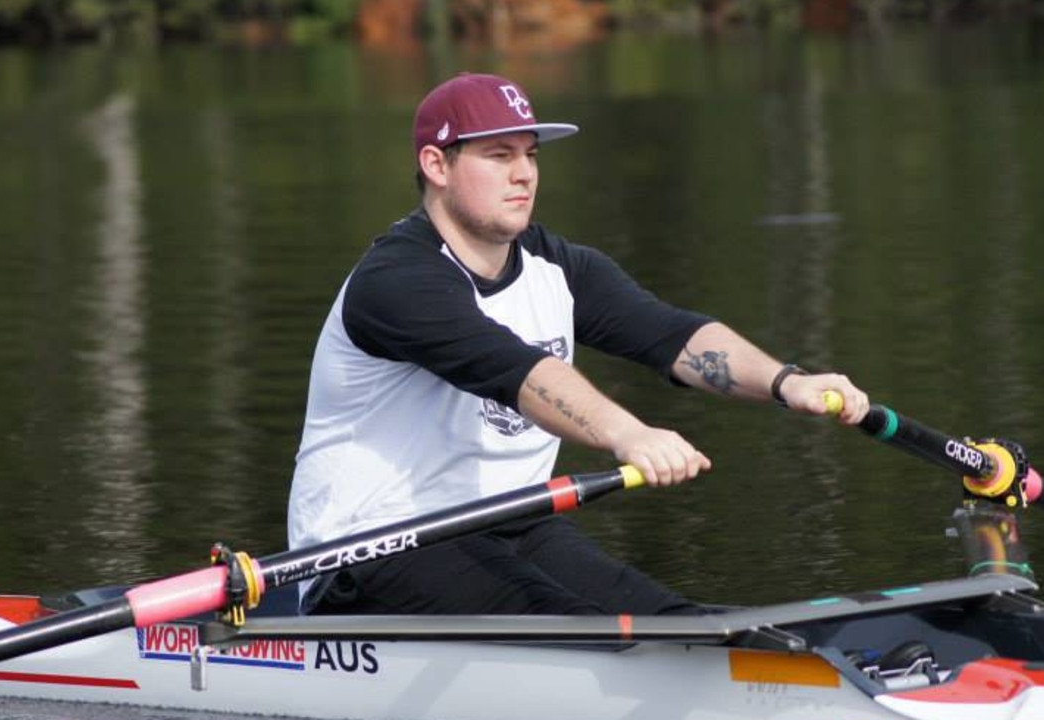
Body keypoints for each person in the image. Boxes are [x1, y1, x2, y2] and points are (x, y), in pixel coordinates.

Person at [287, 72, 869, 617]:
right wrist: (629, 435)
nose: (525, 174)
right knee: (585, 631)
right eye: (499, 155)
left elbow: (671, 334)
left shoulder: (556, 266)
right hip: (372, 549)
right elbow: (515, 371)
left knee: (669, 622)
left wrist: (787, 382)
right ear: (436, 164)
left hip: (512, 523)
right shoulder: (394, 282)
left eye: (530, 155)